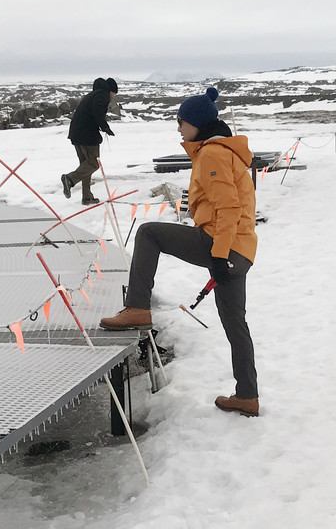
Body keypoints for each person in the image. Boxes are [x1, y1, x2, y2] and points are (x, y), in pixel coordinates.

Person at [100, 87, 261, 416]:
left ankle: (137, 307)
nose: (178, 128)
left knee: (149, 233)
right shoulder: (224, 152)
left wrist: (217, 255)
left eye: (181, 121)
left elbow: (229, 208)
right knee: (235, 324)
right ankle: (247, 395)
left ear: (198, 124)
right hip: (241, 251)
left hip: (222, 244)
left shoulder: (213, 154)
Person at [62, 78, 117, 206]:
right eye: (114, 94)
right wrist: (105, 127)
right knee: (93, 163)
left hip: (76, 133)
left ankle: (87, 197)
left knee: (85, 165)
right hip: (87, 135)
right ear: (111, 90)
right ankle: (69, 179)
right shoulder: (103, 95)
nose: (113, 97)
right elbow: (97, 112)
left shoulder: (92, 95)